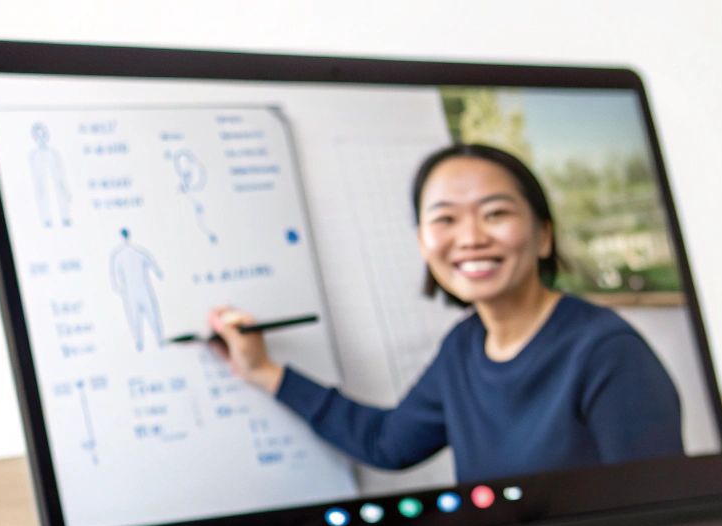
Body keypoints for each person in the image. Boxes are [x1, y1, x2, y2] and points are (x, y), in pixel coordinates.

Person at [207, 142, 684, 480]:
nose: (471, 238)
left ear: (543, 234)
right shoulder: (463, 346)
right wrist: (265, 372)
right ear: (423, 243)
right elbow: (387, 442)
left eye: (495, 213)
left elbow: (661, 517)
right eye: (445, 219)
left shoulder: (607, 352)